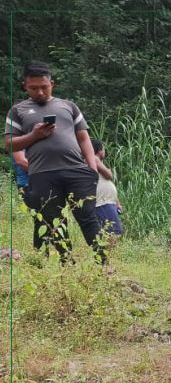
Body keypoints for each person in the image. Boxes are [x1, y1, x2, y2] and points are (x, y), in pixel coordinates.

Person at [4, 61, 104, 263]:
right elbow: (10, 144)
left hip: (76, 171)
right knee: (53, 221)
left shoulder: (68, 106)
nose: (39, 92)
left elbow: (83, 137)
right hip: (42, 174)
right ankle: (67, 264)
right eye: (33, 88)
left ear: (52, 84)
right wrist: (34, 135)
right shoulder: (18, 110)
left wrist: (92, 167)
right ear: (25, 85)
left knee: (87, 216)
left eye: (44, 87)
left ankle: (103, 264)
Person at [91, 139, 123, 237]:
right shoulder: (94, 159)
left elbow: (108, 181)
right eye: (103, 149)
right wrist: (108, 171)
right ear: (99, 150)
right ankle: (109, 252)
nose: (104, 151)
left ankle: (107, 252)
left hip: (108, 202)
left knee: (109, 232)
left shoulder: (97, 162)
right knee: (113, 231)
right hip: (103, 202)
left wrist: (117, 202)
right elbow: (109, 175)